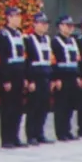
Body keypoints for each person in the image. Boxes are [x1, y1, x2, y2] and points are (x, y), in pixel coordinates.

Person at [0, 7, 28, 148]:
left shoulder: (19, 34)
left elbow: (23, 58)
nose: (18, 19)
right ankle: (7, 138)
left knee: (17, 108)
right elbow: (2, 59)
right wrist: (5, 79)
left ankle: (15, 136)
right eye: (15, 16)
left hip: (19, 75)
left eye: (19, 16)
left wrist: (25, 77)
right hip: (9, 76)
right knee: (7, 108)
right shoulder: (2, 35)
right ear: (8, 18)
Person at [24, 12, 54, 145]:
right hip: (35, 77)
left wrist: (52, 78)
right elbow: (27, 61)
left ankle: (40, 133)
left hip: (46, 76)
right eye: (41, 23)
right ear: (35, 24)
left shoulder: (47, 39)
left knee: (44, 106)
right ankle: (31, 135)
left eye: (46, 24)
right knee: (33, 107)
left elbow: (51, 60)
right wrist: (30, 80)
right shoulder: (28, 40)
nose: (44, 26)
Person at [51, 15, 80, 141]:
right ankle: (61, 132)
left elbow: (77, 60)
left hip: (72, 75)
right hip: (62, 77)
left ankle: (67, 130)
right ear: (60, 26)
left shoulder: (73, 41)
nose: (70, 28)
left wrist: (78, 76)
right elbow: (53, 62)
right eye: (67, 25)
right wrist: (56, 78)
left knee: (70, 105)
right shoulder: (55, 41)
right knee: (61, 105)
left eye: (71, 26)